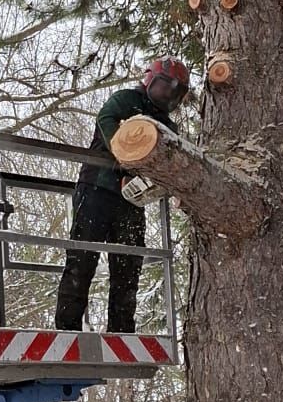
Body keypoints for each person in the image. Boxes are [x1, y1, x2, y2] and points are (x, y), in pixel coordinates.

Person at [53, 58, 190, 331]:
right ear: (150, 80)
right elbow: (106, 120)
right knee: (82, 258)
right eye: (164, 87)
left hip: (131, 200)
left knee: (128, 266)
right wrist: (127, 157)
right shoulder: (126, 101)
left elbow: (172, 161)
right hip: (97, 188)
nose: (168, 95)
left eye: (175, 92)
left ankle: (121, 330)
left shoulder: (167, 126)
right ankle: (67, 328)